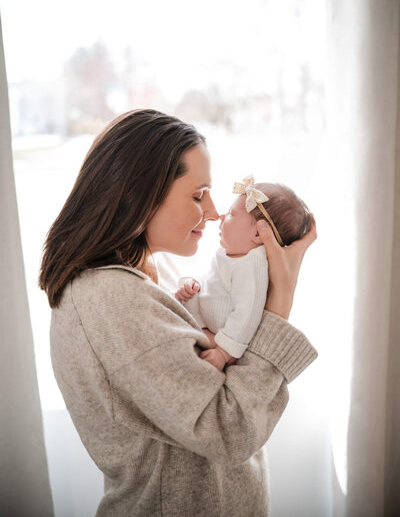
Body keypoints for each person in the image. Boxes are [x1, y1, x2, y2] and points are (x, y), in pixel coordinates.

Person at [39, 109, 318, 517]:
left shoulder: (151, 276)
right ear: (140, 192)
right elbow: (231, 430)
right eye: (197, 194)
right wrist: (281, 300)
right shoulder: (112, 301)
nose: (214, 211)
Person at [175, 176, 312, 371]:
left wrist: (224, 352)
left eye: (231, 214)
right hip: (207, 327)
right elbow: (215, 282)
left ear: (258, 233)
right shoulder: (231, 254)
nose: (221, 216)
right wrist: (194, 283)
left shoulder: (251, 265)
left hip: (225, 341)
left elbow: (246, 313)